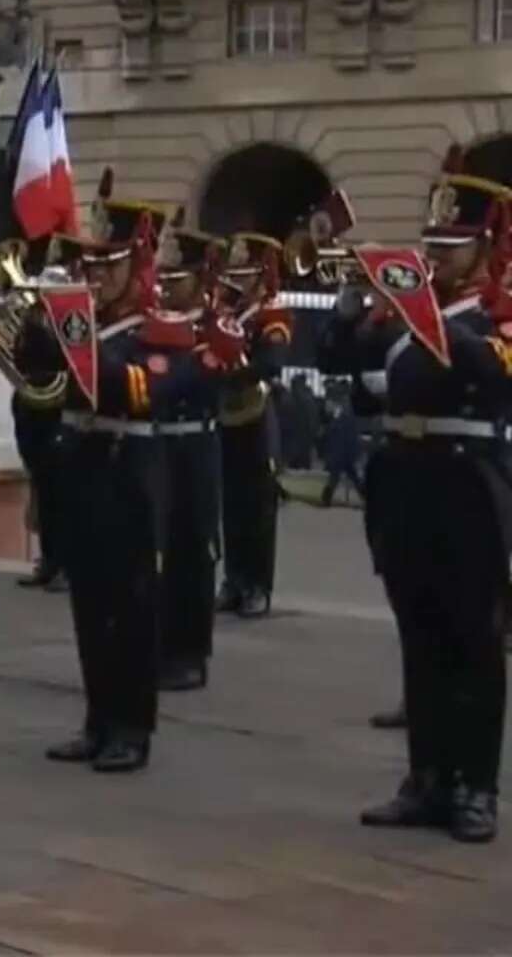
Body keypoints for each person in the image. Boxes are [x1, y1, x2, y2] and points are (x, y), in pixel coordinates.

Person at [21, 173, 243, 773]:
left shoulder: (160, 328)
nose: (95, 276)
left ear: (137, 263)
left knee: (131, 602)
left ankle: (131, 727)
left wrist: (80, 349)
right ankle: (97, 719)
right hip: (83, 464)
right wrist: (35, 332)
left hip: (130, 468)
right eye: (90, 264)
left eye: (108, 264)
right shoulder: (86, 323)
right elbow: (39, 378)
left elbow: (149, 390)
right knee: (89, 601)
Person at [320, 149, 512, 843]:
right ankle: (426, 778)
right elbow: (340, 363)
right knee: (421, 634)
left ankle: (475, 787)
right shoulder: (405, 314)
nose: (438, 256)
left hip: (469, 478)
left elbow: (495, 377)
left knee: (475, 638)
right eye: (432, 245)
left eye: (451, 246)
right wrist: (350, 310)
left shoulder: (497, 312)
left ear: (483, 248)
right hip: (406, 476)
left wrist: (434, 320)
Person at [152, 226, 227, 692]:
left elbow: (195, 380)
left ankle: (191, 653)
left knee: (193, 548)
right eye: (164, 276)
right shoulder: (155, 324)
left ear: (200, 279)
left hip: (195, 445)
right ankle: (159, 644)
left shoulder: (216, 327)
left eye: (176, 278)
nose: (166, 285)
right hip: (158, 444)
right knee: (157, 547)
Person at [214, 232, 293, 618]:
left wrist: (234, 372)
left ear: (260, 274)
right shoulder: (229, 311)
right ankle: (234, 579)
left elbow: (272, 361)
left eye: (244, 272)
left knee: (258, 505)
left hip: (258, 414)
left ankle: (258, 585)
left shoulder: (271, 312)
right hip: (229, 414)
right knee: (231, 502)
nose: (237, 279)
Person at [13, 240, 68, 592]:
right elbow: (20, 360)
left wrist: (38, 329)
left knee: (62, 490)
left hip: (57, 409)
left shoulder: (67, 324)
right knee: (41, 486)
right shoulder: (31, 322)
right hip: (31, 406)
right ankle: (48, 559)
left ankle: (65, 563)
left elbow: (60, 358)